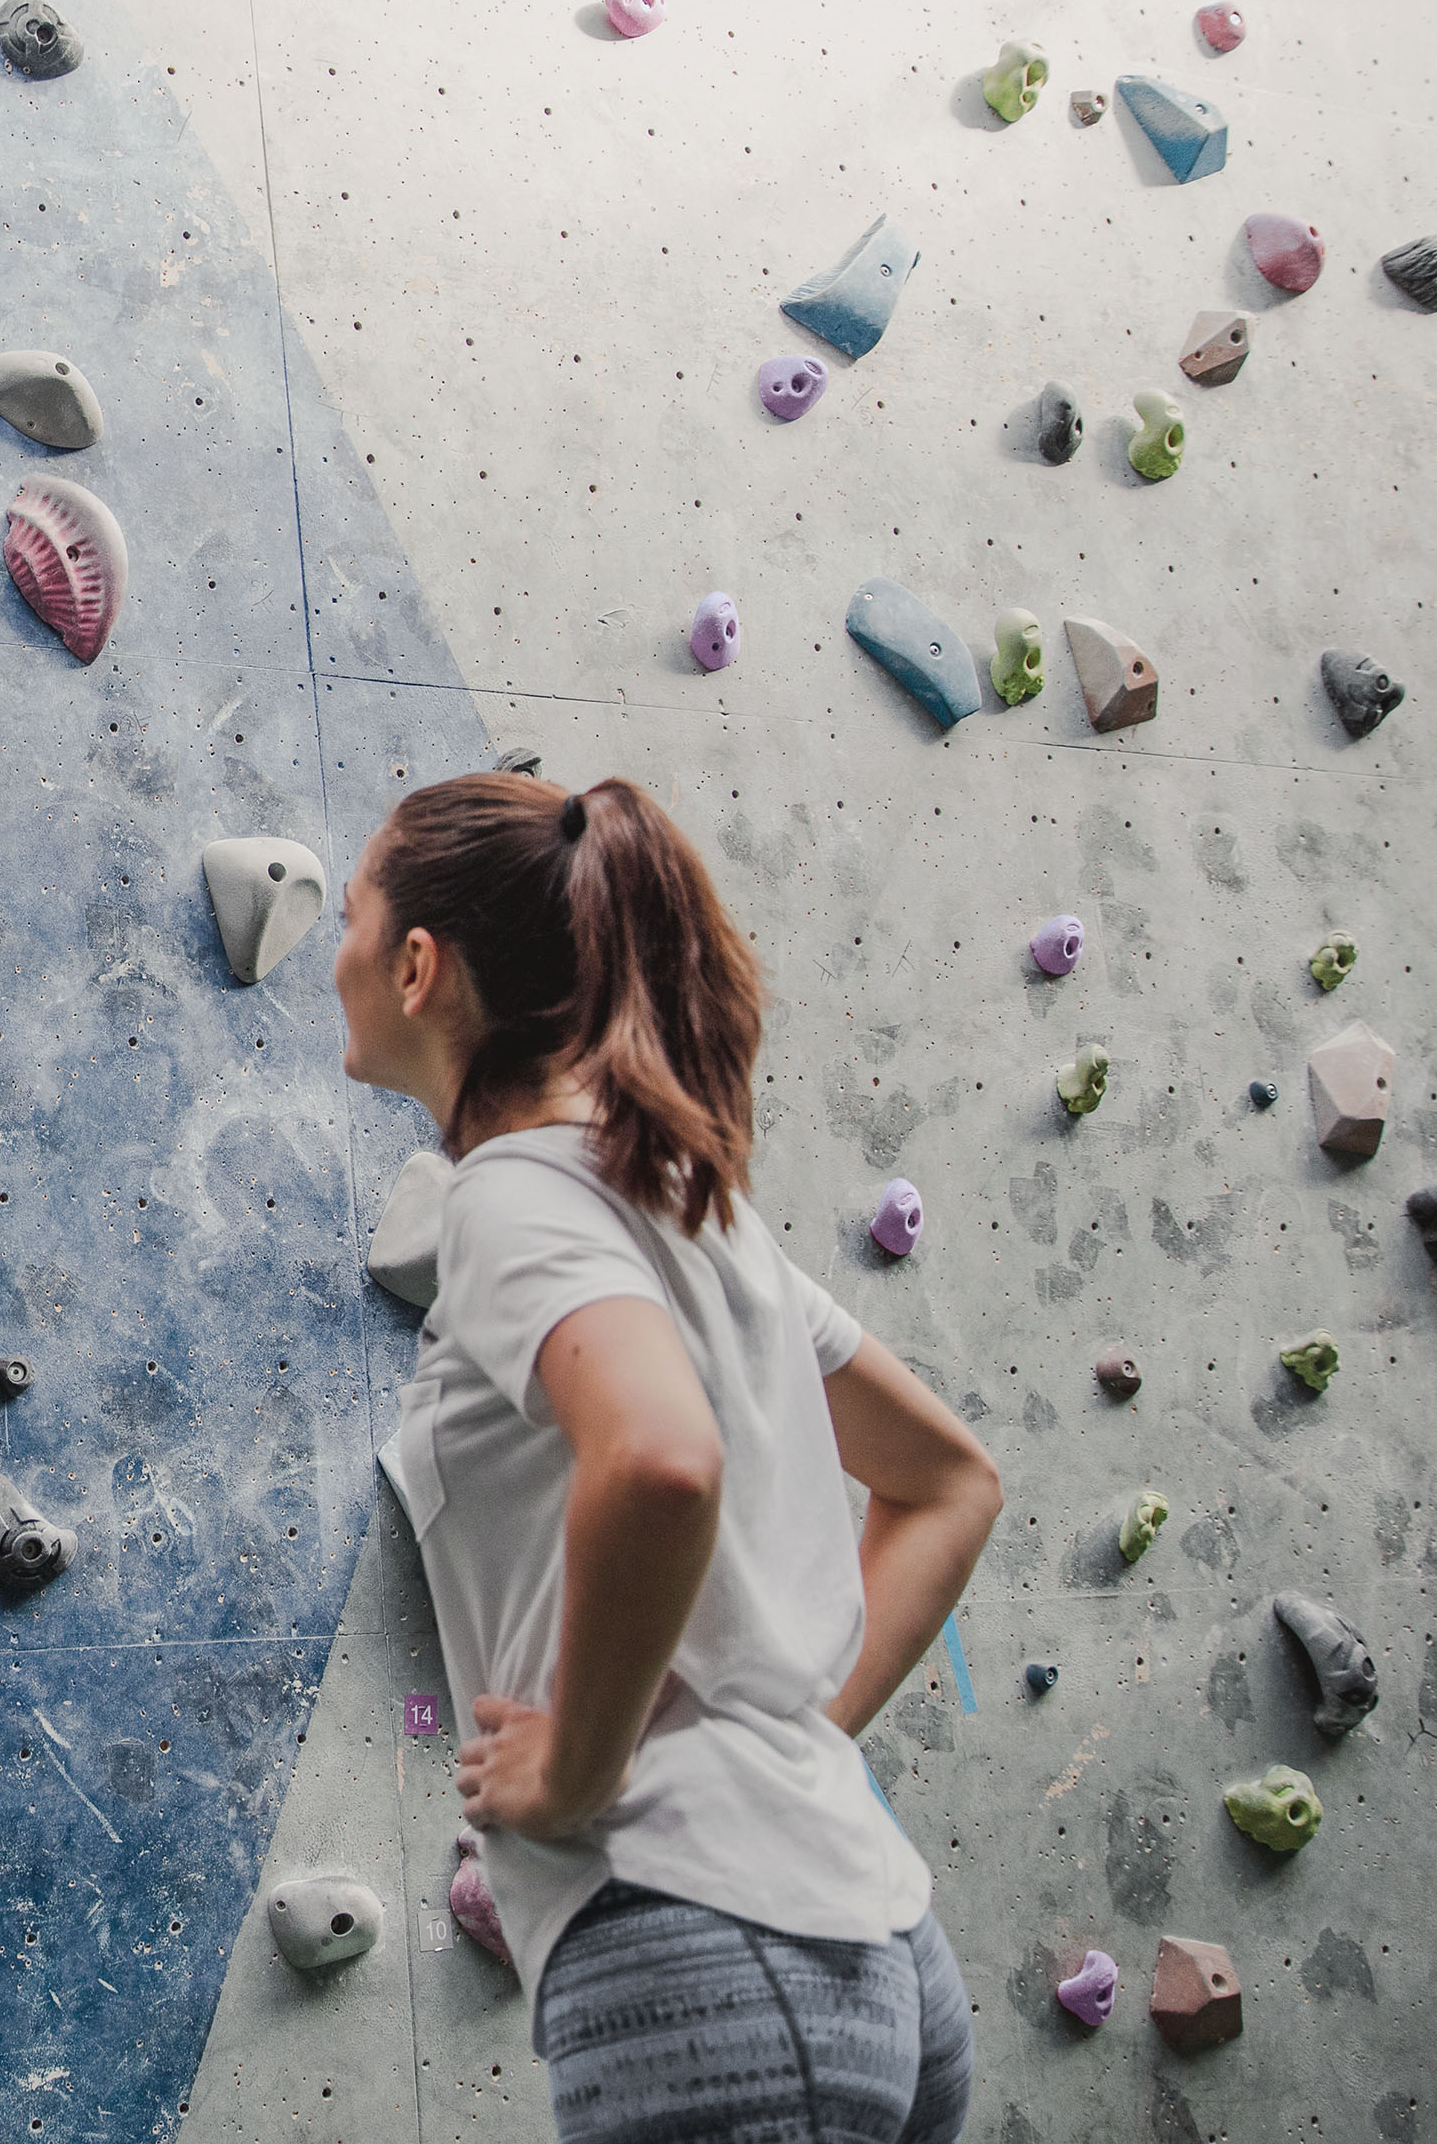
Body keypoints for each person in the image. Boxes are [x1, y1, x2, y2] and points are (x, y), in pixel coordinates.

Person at [339, 772, 1002, 2144]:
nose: (333, 955)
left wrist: (581, 1773)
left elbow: (660, 1462)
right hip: (869, 1948)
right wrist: (779, 1743)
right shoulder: (690, 1212)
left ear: (416, 966)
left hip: (705, 1956)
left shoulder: (512, 1192)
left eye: (351, 918)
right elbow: (951, 1485)